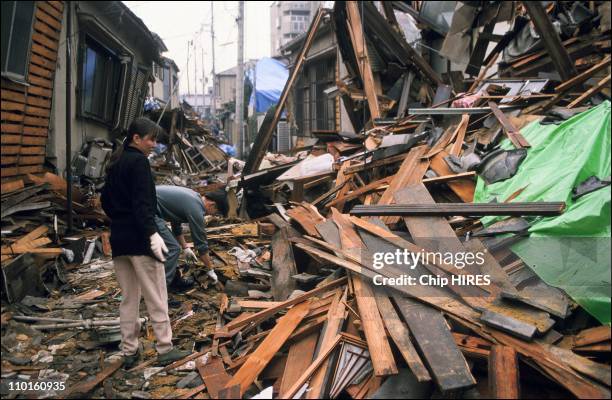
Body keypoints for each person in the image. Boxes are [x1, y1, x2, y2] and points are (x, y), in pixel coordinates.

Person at [101, 117, 190, 368]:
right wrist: (152, 234)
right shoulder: (139, 162)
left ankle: (130, 350)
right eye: (150, 139)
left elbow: (105, 201)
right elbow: (143, 204)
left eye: (155, 139)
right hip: (141, 239)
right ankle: (165, 348)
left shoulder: (116, 162)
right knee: (157, 295)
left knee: (129, 299)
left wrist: (121, 219)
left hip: (119, 240)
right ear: (136, 138)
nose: (154, 144)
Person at [155, 185, 228, 289]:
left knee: (169, 247)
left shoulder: (193, 196)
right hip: (147, 210)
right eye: (216, 213)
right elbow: (201, 245)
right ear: (212, 205)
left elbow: (176, 224)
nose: (214, 215)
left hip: (146, 206)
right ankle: (160, 291)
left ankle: (174, 280)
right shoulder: (197, 210)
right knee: (173, 248)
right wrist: (210, 269)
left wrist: (185, 247)